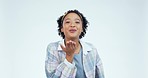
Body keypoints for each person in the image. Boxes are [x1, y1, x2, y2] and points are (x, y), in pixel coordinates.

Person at [45, 9, 105, 78]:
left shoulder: (92, 49)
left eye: (77, 22)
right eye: (67, 22)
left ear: (82, 28)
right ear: (62, 28)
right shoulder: (53, 48)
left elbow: (100, 75)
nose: (72, 25)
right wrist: (69, 57)